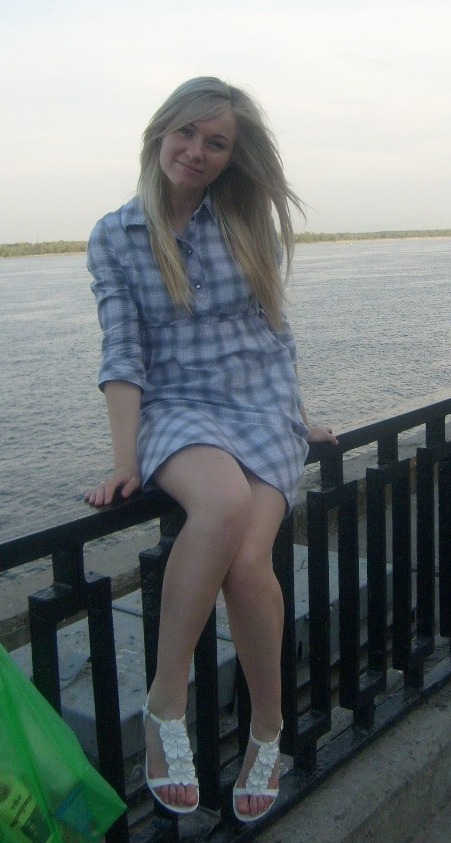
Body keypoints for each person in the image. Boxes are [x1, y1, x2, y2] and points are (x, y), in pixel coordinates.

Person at [85, 77, 337, 823]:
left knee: (251, 561)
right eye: (186, 133)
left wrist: (299, 418)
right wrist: (125, 460)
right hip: (177, 406)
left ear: (232, 156)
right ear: (159, 134)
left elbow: (274, 330)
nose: (196, 151)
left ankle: (267, 729)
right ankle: (166, 704)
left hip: (260, 404)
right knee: (221, 504)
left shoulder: (243, 221)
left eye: (216, 142)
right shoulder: (116, 234)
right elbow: (122, 350)